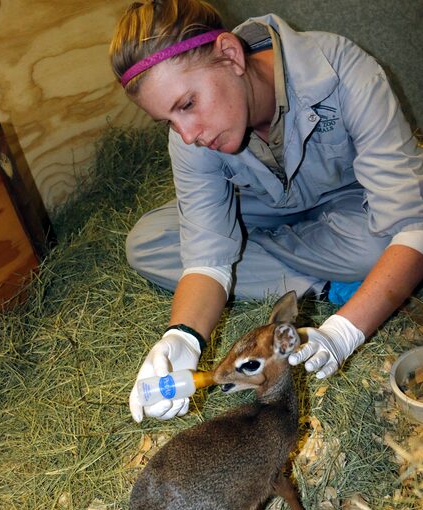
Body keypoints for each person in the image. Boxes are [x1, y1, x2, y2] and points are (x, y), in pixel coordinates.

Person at [109, 0, 423, 423]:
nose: (187, 135)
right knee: (150, 242)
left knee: (391, 242)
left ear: (230, 55)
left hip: (349, 204)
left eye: (187, 104)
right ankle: (323, 282)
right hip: (264, 209)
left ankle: (333, 284)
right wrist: (181, 336)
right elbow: (206, 258)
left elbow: (412, 224)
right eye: (167, 121)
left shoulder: (342, 69)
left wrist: (342, 333)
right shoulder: (189, 137)